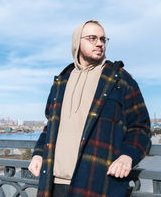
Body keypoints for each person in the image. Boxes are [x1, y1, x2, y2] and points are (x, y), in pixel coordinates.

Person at [28, 20, 151, 197]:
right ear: (77, 42)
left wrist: (128, 156)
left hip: (97, 184)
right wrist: (39, 154)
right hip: (53, 183)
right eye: (92, 38)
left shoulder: (121, 80)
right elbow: (50, 126)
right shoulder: (61, 81)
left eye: (103, 39)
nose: (99, 43)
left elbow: (141, 127)